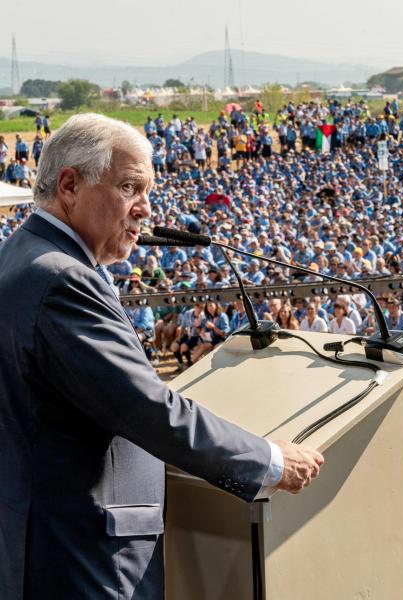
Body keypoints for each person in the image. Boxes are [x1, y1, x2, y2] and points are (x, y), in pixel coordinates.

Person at [0, 114, 323, 599]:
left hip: (43, 539)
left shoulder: (18, 254)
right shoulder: (63, 277)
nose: (145, 210)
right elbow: (144, 407)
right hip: (81, 556)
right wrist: (270, 461)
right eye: (130, 187)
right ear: (69, 185)